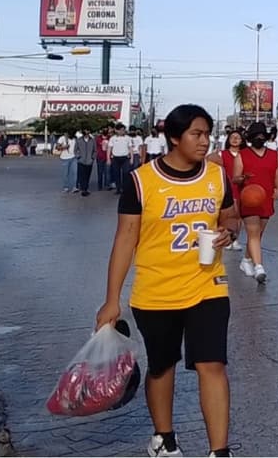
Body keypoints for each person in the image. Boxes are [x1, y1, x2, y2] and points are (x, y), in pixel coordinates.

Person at [95, 104, 239, 458]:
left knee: (212, 364)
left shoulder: (217, 176)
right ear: (174, 138)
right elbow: (125, 239)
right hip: (156, 291)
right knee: (162, 366)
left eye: (207, 134)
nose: (205, 141)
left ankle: (219, 451)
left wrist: (229, 232)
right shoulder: (141, 181)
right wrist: (112, 300)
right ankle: (164, 438)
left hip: (207, 285)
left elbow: (230, 217)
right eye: (196, 134)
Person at [237, 122, 278, 284]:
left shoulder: (273, 155)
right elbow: (235, 178)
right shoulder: (242, 155)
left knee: (258, 233)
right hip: (249, 197)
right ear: (250, 137)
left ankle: (246, 259)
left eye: (262, 135)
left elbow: (276, 174)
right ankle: (259, 267)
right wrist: (243, 178)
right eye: (256, 135)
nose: (259, 138)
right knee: (253, 232)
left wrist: (277, 188)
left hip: (266, 197)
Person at [207, 130, 246, 251]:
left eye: (238, 137)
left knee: (239, 215)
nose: (235, 139)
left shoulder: (245, 154)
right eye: (232, 137)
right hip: (227, 187)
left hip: (241, 188)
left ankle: (235, 239)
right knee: (228, 214)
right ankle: (226, 238)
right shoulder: (221, 154)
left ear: (242, 140)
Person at [109, 124, 133, 194]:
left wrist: (131, 158)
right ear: (117, 130)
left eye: (124, 130)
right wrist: (108, 158)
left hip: (125, 158)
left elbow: (130, 148)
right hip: (115, 158)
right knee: (116, 173)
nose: (123, 131)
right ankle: (118, 188)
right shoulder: (112, 138)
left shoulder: (128, 138)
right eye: (121, 130)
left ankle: (124, 188)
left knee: (125, 173)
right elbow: (109, 149)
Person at [74, 128, 96, 196]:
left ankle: (85, 188)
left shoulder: (92, 140)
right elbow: (75, 150)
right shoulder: (79, 140)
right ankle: (83, 189)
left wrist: (92, 158)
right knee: (82, 176)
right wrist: (78, 156)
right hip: (81, 161)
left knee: (87, 176)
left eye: (88, 130)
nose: (86, 132)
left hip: (89, 161)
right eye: (85, 130)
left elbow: (95, 150)